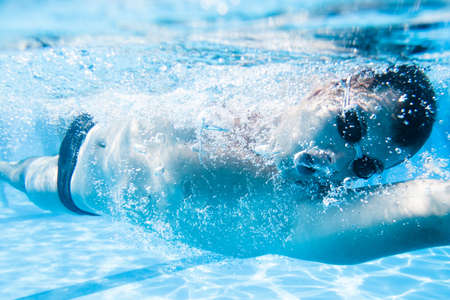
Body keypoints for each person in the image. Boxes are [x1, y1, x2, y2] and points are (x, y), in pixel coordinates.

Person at [0, 64, 448, 264]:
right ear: (323, 90)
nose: (342, 160)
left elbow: (432, 208)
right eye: (349, 124)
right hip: (91, 135)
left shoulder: (299, 218)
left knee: (19, 176)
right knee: (15, 167)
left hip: (76, 186)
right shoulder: (232, 104)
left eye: (366, 168)